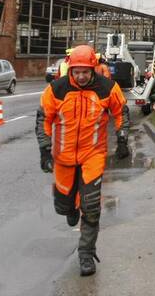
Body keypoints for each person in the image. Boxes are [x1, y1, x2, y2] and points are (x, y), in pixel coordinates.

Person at [35, 44, 130, 276]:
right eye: (76, 71)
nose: (81, 76)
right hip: (63, 155)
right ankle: (69, 208)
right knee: (63, 206)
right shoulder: (56, 89)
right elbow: (43, 119)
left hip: (93, 155)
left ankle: (86, 253)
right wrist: (45, 150)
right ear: (70, 69)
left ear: (92, 69)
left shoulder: (107, 88)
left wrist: (122, 139)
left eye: (85, 72)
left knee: (92, 207)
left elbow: (121, 112)